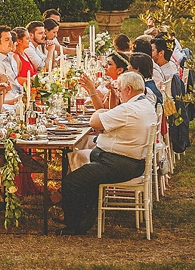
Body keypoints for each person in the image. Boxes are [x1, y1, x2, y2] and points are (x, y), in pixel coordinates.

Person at [59, 71, 156, 235]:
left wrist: (99, 112)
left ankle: (75, 225)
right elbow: (110, 113)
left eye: (119, 90)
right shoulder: (144, 104)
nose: (118, 93)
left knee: (72, 182)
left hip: (119, 164)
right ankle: (85, 214)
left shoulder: (128, 109)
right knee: (80, 162)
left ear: (129, 89)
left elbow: (94, 121)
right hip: (130, 161)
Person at [0, 25, 23, 104]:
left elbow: (15, 81)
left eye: (11, 39)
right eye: (7, 40)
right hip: (9, 100)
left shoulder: (11, 56)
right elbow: (3, 90)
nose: (11, 42)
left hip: (18, 94)